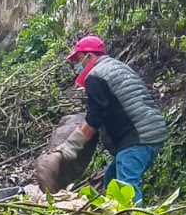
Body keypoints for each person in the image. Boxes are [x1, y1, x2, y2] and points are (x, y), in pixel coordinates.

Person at [53, 35, 167, 203]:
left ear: (89, 56)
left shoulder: (96, 75)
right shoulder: (117, 67)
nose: (77, 66)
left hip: (138, 137)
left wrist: (71, 145)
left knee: (125, 187)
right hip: (152, 131)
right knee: (111, 179)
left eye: (78, 60)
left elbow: (95, 118)